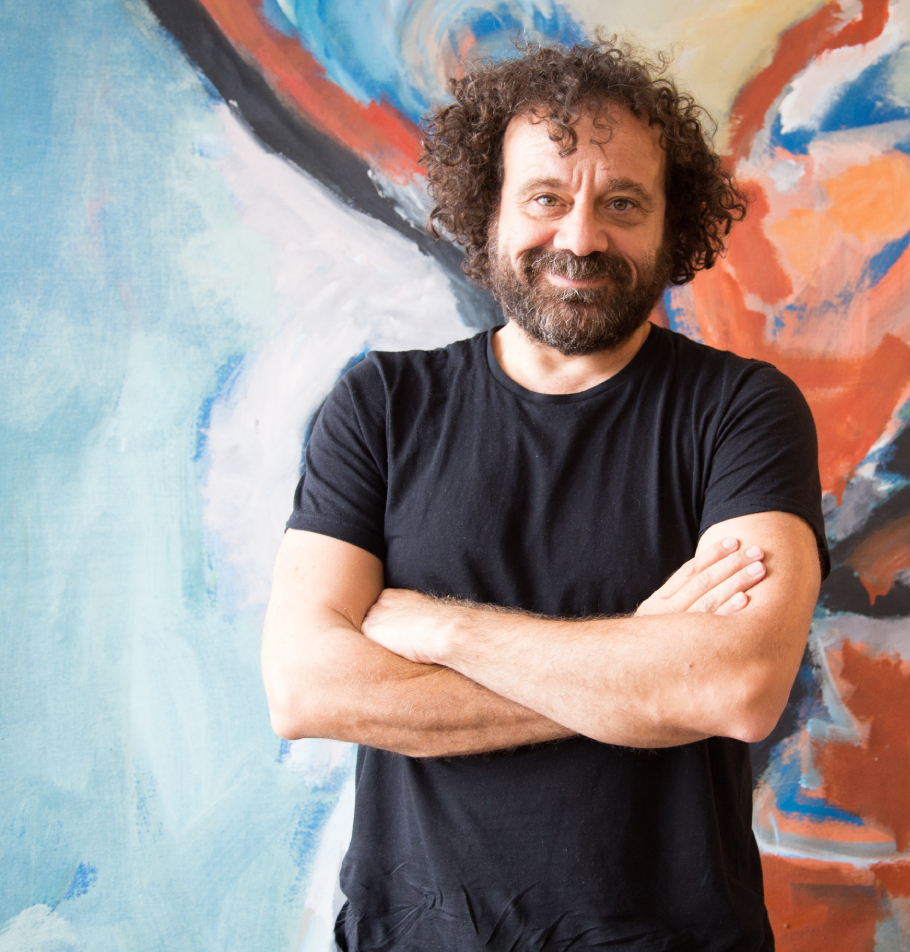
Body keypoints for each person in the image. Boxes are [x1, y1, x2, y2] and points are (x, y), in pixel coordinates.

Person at [260, 38, 829, 952]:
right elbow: (305, 687)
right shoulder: (380, 407)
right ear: (489, 208)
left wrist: (444, 631)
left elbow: (737, 685)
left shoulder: (742, 411)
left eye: (622, 204)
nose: (580, 237)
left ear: (672, 224)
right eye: (546, 199)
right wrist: (643, 672)